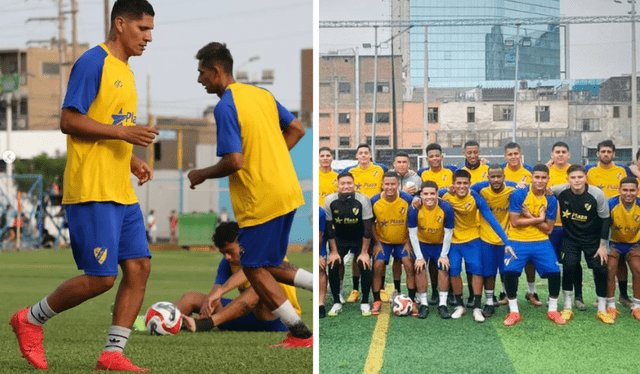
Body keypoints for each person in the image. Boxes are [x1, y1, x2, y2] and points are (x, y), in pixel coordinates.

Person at [9, 0, 158, 371]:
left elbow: (107, 128)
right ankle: (30, 318)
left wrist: (130, 158)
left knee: (138, 268)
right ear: (120, 24)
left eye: (151, 30)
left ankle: (113, 353)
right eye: (143, 29)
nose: (149, 37)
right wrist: (123, 133)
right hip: (92, 188)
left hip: (119, 190)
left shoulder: (127, 71)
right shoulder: (94, 63)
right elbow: (69, 120)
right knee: (102, 279)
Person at [186, 42, 312, 348]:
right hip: (286, 190)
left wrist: (200, 174)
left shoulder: (225, 106)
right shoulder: (261, 95)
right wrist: (271, 160)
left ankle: (301, 334)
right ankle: (317, 281)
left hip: (261, 197)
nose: (200, 80)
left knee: (253, 268)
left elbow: (235, 161)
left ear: (216, 71)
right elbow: (296, 129)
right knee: (267, 263)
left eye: (202, 73)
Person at [178, 222, 301, 332]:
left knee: (259, 287)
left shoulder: (264, 252)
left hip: (279, 321)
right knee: (190, 298)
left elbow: (249, 271)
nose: (227, 257)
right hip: (247, 316)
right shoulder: (228, 263)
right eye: (223, 253)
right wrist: (207, 307)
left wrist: (221, 291)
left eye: (230, 251)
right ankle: (162, 320)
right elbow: (214, 294)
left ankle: (205, 324)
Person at [439, 169, 512, 322]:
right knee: (455, 272)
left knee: (477, 271)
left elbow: (491, 219)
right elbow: (430, 195)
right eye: (458, 183)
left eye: (465, 183)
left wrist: (507, 241)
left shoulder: (475, 198)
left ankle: (477, 307)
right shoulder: (446, 198)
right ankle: (460, 306)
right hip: (454, 242)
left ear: (469, 184)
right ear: (453, 184)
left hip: (473, 240)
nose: (461, 186)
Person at [501, 164, 566, 327]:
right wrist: (538, 219)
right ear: (531, 178)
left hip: (540, 240)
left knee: (555, 272)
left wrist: (529, 216)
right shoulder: (519, 194)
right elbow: (515, 222)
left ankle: (553, 310)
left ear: (548, 179)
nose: (540, 180)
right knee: (509, 272)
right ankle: (514, 311)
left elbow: (549, 228)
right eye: (537, 177)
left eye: (543, 177)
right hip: (517, 240)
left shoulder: (551, 199)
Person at [550, 165, 614, 324]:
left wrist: (602, 245)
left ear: (585, 177)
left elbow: (606, 220)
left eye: (580, 177)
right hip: (570, 238)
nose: (577, 180)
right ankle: (567, 307)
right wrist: (523, 186)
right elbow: (542, 189)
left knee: (600, 268)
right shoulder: (561, 191)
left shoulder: (597, 194)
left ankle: (602, 309)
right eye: (573, 177)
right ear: (568, 179)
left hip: (592, 239)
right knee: (569, 266)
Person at [586, 139, 634, 308]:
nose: (605, 154)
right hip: (598, 220)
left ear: (613, 154)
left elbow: (634, 179)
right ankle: (602, 295)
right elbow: (572, 176)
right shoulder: (589, 170)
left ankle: (623, 295)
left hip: (620, 219)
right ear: (597, 154)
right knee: (601, 258)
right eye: (602, 151)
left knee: (620, 259)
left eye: (609, 151)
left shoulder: (623, 169)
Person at [324, 172, 374, 317]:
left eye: (349, 183)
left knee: (364, 264)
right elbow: (329, 230)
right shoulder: (330, 201)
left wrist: (364, 252)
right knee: (333, 263)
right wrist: (333, 252)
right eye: (343, 184)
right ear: (338, 185)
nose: (346, 186)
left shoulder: (363, 200)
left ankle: (365, 301)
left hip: (359, 239)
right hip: (340, 239)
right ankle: (336, 302)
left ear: (354, 184)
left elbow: (367, 229)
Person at [470, 164, 518, 317]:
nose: (496, 180)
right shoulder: (481, 191)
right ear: (488, 177)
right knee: (489, 273)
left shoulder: (512, 190)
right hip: (487, 238)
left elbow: (531, 190)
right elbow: (466, 189)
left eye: (499, 176)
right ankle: (489, 302)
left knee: (510, 272)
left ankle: (511, 302)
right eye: (493, 177)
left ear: (504, 176)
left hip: (507, 239)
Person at [344, 144, 388, 303]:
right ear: (357, 156)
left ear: (371, 155)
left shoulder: (380, 169)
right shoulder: (350, 172)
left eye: (366, 152)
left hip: (377, 216)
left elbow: (392, 179)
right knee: (357, 254)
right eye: (360, 153)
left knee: (379, 252)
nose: (363, 155)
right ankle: (355, 289)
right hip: (358, 217)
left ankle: (381, 288)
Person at [370, 172, 416, 317]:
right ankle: (376, 299)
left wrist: (408, 242)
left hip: (403, 241)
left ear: (398, 185)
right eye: (387, 184)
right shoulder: (374, 200)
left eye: (393, 184)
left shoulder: (407, 199)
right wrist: (377, 243)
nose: (390, 187)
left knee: (408, 264)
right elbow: (371, 223)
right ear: (382, 185)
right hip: (384, 242)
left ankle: (412, 300)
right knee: (377, 266)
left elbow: (413, 222)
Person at [407, 180, 455, 319]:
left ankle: (443, 304)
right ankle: (423, 304)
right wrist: (419, 257)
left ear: (437, 194)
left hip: (440, 244)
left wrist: (444, 255)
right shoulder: (414, 208)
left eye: (432, 194)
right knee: (419, 268)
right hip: (422, 244)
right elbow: (412, 233)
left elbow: (448, 232)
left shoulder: (446, 207)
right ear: (420, 194)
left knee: (443, 267)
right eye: (426, 194)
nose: (429, 197)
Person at [501, 142, 540, 307]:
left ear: (520, 154)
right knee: (508, 259)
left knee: (530, 261)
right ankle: (505, 292)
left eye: (516, 154)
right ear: (505, 156)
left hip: (528, 220)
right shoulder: (500, 172)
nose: (513, 157)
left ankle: (532, 291)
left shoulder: (530, 171)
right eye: (510, 154)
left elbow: (540, 187)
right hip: (505, 221)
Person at [388, 151, 422, 301]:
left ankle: (414, 293)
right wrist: (402, 192)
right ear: (394, 164)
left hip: (410, 224)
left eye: (404, 162)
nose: (401, 164)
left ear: (409, 164)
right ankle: (396, 289)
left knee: (410, 260)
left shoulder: (416, 178)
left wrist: (414, 197)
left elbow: (420, 198)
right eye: (399, 162)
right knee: (396, 260)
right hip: (392, 223)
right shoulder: (389, 176)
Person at [605, 177, 640, 321]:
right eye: (625, 190)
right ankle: (611, 305)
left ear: (637, 191)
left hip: (633, 244)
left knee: (638, 270)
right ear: (619, 190)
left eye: (632, 190)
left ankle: (637, 306)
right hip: (614, 243)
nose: (628, 193)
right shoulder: (611, 203)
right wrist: (606, 247)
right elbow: (604, 227)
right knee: (610, 270)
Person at [319, 207, 329, 318]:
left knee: (320, 268)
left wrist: (319, 255)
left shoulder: (320, 212)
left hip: (320, 242)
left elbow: (319, 236)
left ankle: (320, 304)